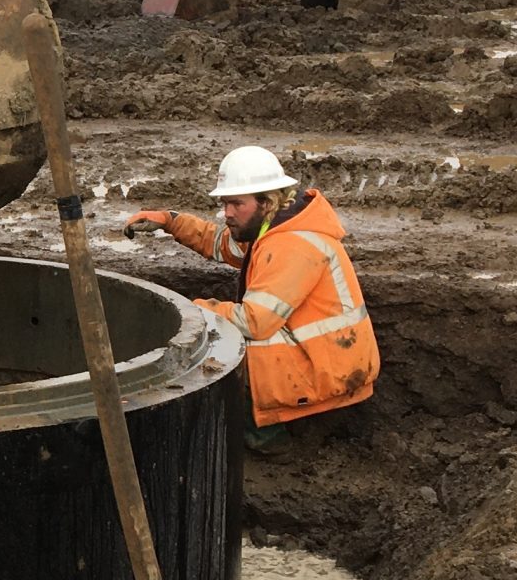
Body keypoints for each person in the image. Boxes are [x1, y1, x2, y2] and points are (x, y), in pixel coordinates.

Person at [127, 145, 379, 452]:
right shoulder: (274, 226)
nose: (227, 213)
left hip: (329, 368)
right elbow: (223, 245)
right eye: (225, 203)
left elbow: (255, 322)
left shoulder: (292, 245)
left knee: (220, 347)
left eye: (236, 204)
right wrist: (171, 221)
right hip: (324, 356)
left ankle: (266, 439)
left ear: (267, 201)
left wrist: (195, 310)